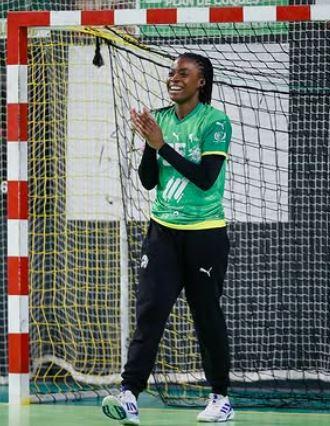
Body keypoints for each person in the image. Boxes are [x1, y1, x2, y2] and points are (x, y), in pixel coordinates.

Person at [101, 52, 234, 425]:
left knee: (206, 317)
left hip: (204, 236)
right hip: (163, 234)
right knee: (150, 312)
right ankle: (129, 395)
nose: (174, 77)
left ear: (201, 81)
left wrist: (161, 145)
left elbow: (205, 177)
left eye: (184, 72)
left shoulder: (215, 122)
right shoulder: (159, 119)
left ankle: (220, 397)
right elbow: (148, 180)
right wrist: (148, 140)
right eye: (172, 71)